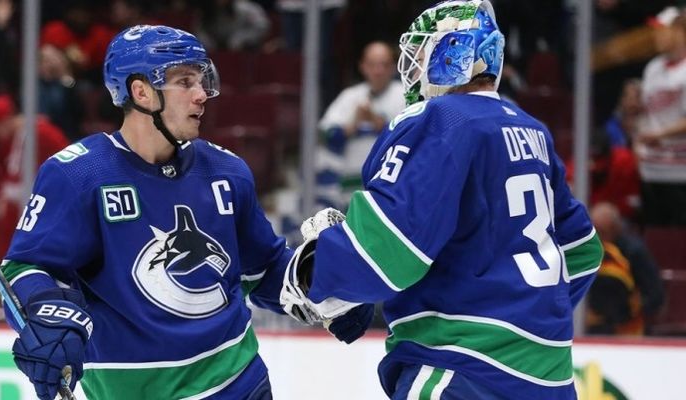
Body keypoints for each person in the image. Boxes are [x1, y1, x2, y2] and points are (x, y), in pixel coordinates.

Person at [1, 25, 372, 400]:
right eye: (184, 82)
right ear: (141, 92)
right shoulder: (78, 175)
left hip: (238, 385)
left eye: (201, 80)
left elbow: (264, 269)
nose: (201, 95)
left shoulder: (226, 171)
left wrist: (327, 285)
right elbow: (26, 267)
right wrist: (46, 311)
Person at [279, 1, 603, 399]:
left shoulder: (440, 119)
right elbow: (583, 250)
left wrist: (318, 270)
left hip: (461, 365)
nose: (414, 68)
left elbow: (391, 248)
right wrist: (529, 312)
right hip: (549, 374)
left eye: (422, 54)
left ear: (455, 55)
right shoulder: (531, 128)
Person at [0, 94, 70, 260]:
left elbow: (68, 166)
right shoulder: (14, 139)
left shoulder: (43, 134)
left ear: (5, 121)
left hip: (42, 216)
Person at [316, 40, 405, 210]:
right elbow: (325, 135)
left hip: (390, 186)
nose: (378, 71)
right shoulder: (350, 96)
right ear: (363, 67)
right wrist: (353, 125)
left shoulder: (405, 95)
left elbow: (415, 138)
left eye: (384, 65)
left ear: (393, 67)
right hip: (351, 185)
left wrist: (380, 124)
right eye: (373, 65)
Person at [635, 10, 686, 226]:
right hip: (651, 169)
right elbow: (646, 111)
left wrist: (659, 134)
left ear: (680, 32)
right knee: (654, 233)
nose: (656, 37)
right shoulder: (653, 68)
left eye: (662, 31)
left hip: (680, 171)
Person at [588, 202, 664, 335]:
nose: (598, 238)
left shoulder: (634, 252)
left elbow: (655, 295)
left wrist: (629, 311)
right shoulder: (586, 250)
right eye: (594, 232)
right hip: (591, 328)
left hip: (629, 330)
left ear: (615, 229)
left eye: (601, 232)